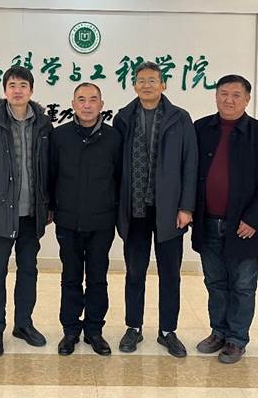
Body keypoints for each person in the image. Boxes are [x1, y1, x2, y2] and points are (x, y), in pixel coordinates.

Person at [192, 74, 258, 364]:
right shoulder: (200, 129)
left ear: (247, 99)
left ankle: (237, 339)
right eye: (223, 94)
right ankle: (218, 332)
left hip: (244, 226)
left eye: (236, 95)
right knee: (215, 282)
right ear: (216, 96)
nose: (229, 100)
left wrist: (254, 219)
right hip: (207, 222)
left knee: (242, 286)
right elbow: (189, 172)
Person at [0, 65, 53, 357]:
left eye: (23, 85)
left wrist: (49, 205)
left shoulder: (43, 124)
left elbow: (51, 168)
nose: (18, 90)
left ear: (31, 90)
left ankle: (23, 324)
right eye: (12, 85)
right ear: (5, 90)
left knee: (28, 271)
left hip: (32, 214)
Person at [113, 61, 197, 358]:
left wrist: (186, 206)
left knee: (170, 273)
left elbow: (190, 164)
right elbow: (115, 167)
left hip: (170, 210)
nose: (146, 85)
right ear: (134, 85)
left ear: (163, 85)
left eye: (152, 80)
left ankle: (167, 331)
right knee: (135, 272)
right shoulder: (123, 118)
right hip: (134, 209)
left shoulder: (180, 118)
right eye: (141, 80)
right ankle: (133, 326)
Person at [50, 83, 121, 356]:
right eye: (81, 99)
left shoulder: (114, 138)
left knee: (97, 279)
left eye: (93, 99)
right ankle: (70, 331)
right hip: (67, 221)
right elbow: (51, 175)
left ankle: (94, 331)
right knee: (70, 278)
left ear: (101, 104)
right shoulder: (59, 136)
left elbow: (119, 178)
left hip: (102, 222)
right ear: (73, 104)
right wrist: (52, 209)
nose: (87, 105)